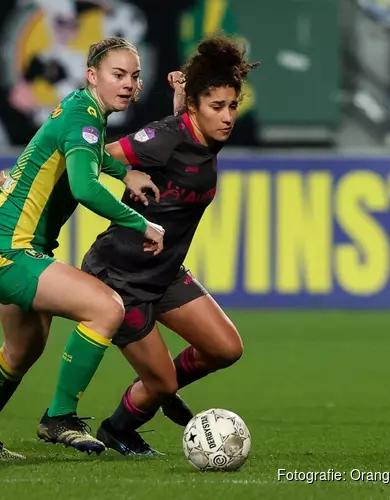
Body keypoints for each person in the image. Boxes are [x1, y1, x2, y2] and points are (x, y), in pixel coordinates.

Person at [0, 36, 165, 460]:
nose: (128, 85)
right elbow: (83, 186)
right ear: (92, 76)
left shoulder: (82, 109)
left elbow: (84, 152)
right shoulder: (84, 116)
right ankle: (60, 416)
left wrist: (124, 172)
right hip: (9, 249)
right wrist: (140, 222)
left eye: (134, 77)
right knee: (107, 308)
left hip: (2, 243)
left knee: (21, 350)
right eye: (117, 75)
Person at [72, 35, 258, 455]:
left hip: (164, 271)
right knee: (163, 382)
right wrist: (124, 175)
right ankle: (122, 424)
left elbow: (184, 142)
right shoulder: (164, 135)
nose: (228, 117)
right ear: (195, 107)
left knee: (225, 348)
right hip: (121, 277)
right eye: (217, 107)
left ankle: (157, 383)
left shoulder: (207, 131)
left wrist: (182, 98)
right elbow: (93, 152)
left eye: (233, 106)